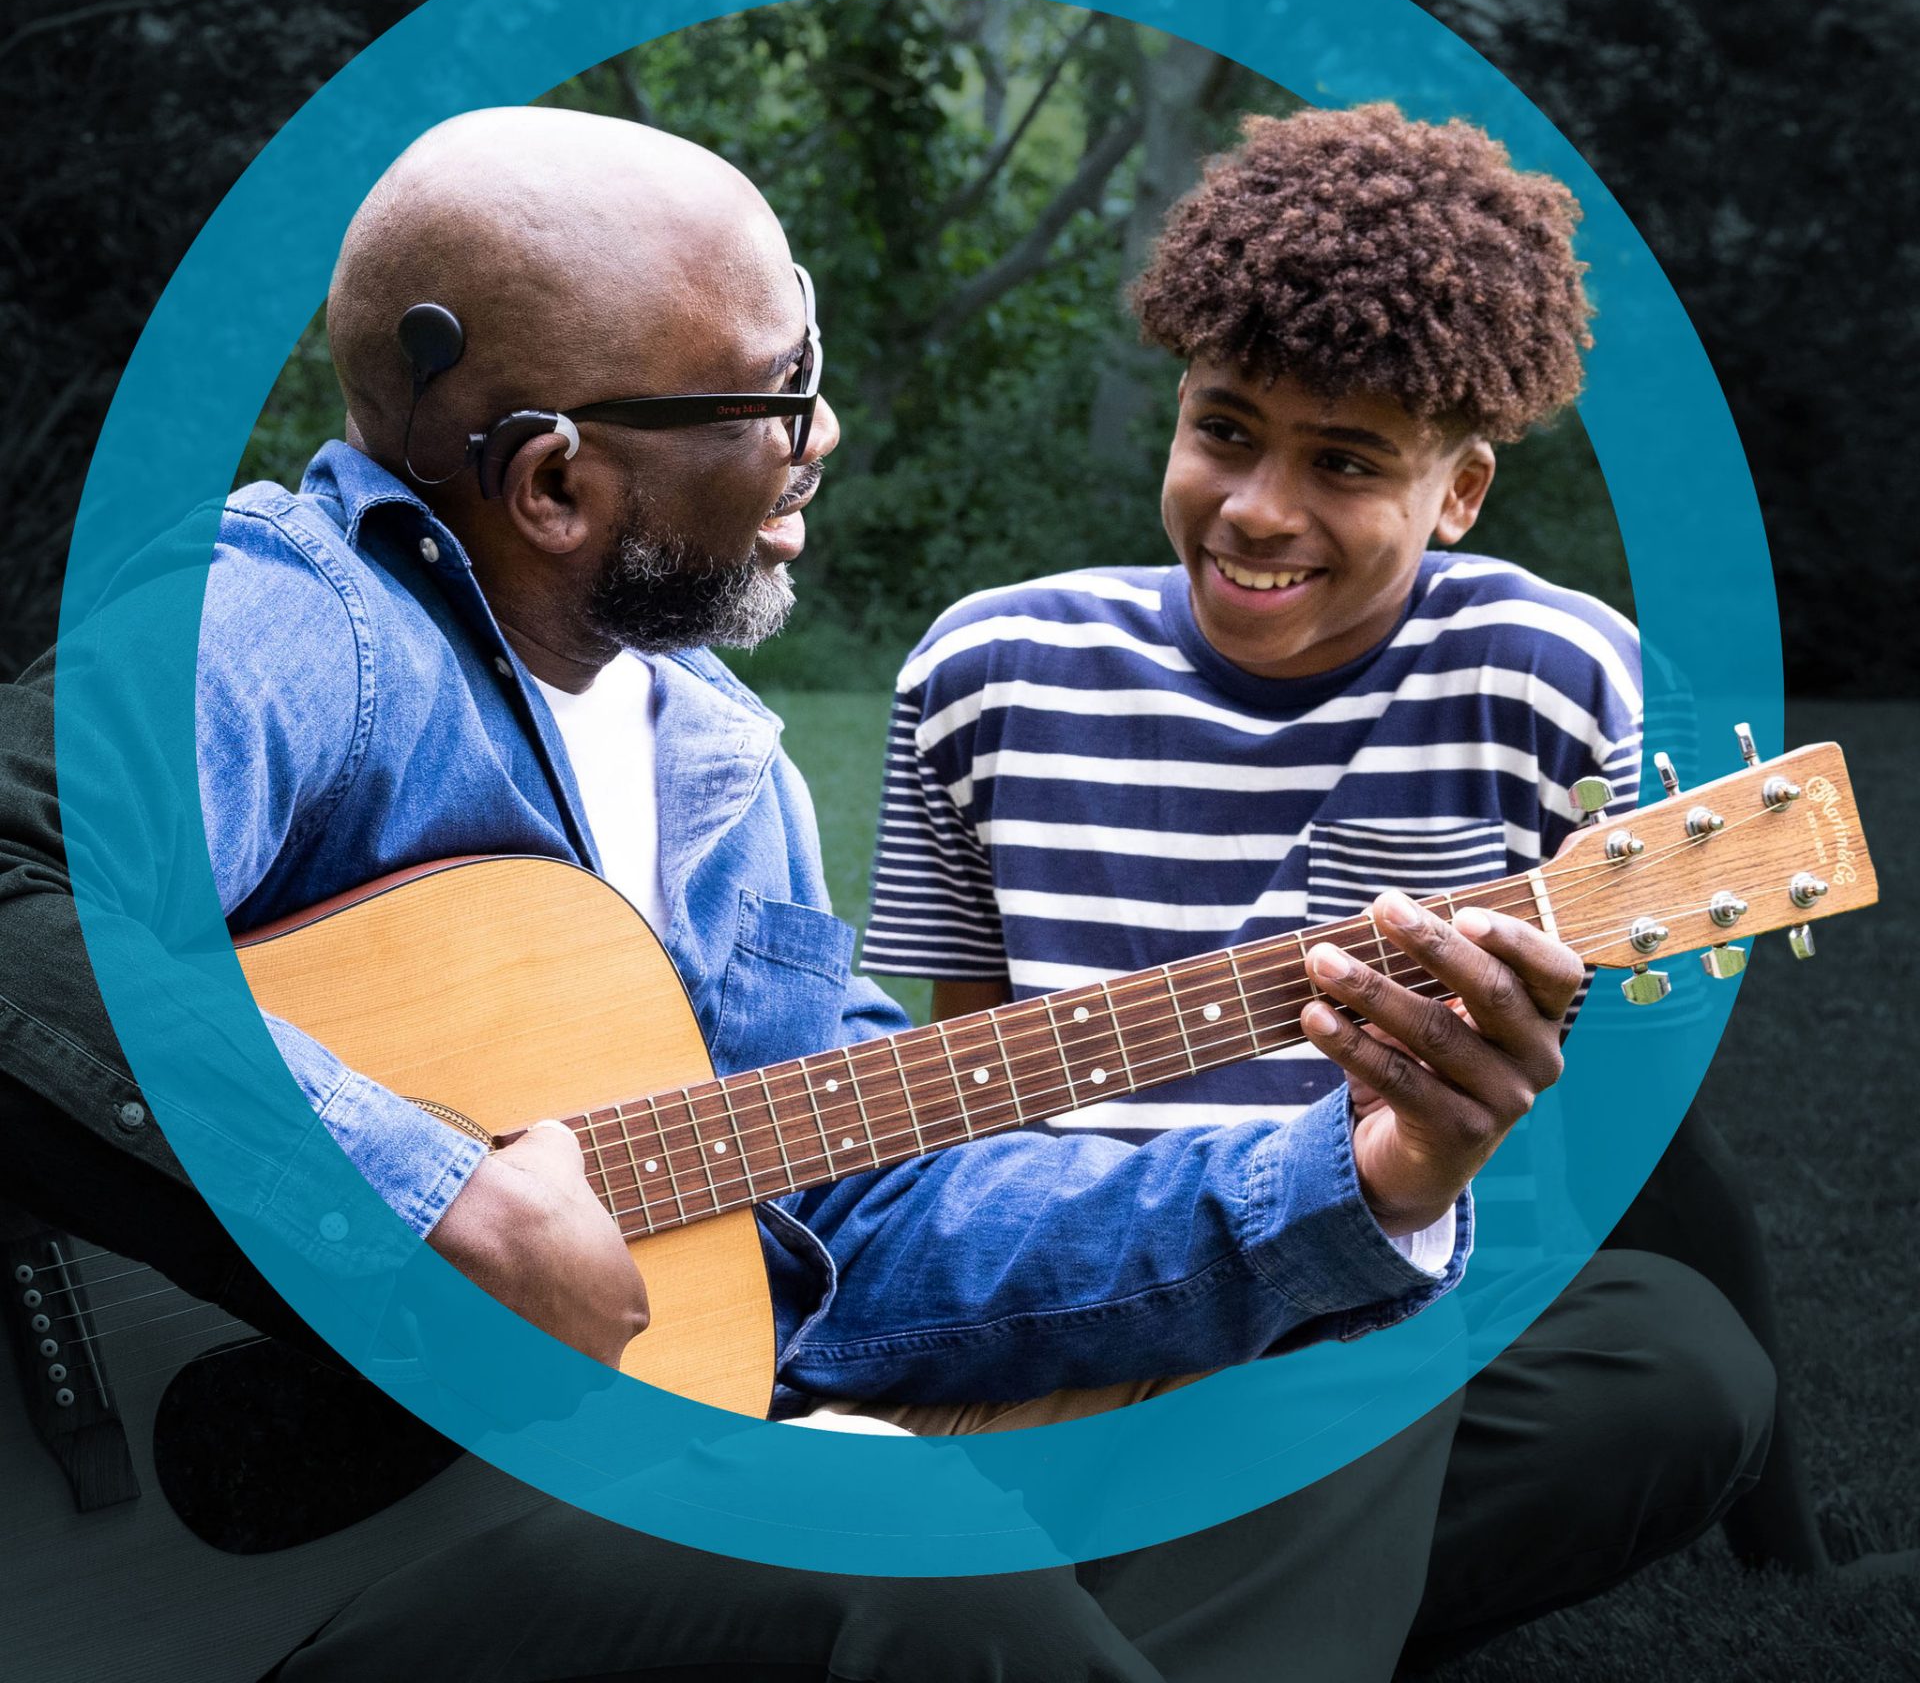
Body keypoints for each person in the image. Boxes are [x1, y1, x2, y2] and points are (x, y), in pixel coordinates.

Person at [0, 103, 1604, 1681]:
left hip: (516, 1522)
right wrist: (426, 1197)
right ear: (555, 483)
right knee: (898, 1550)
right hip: (221, 1592)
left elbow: (850, 1218)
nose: (823, 433)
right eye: (779, 393)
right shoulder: (299, 623)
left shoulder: (720, 761)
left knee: (1300, 1384)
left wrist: (1362, 1181)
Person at [862, 103, 1787, 1670]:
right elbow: (971, 1091)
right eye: (1225, 430)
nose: (1258, 509)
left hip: (1392, 1314)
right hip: (1071, 1300)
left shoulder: (1563, 682)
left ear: (1460, 492)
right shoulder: (987, 670)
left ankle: (1083, 1602)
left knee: (1667, 1365)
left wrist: (1796, 1553)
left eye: (1345, 462)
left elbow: (1649, 1151)